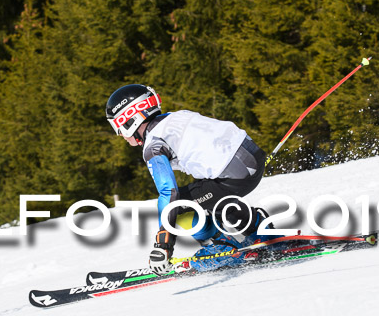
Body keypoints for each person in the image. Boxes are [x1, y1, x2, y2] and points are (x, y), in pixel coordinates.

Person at [105, 84, 274, 274]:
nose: (120, 135)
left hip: (234, 176)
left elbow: (169, 193)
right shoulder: (176, 116)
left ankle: (221, 248)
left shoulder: (153, 146)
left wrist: (163, 244)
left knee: (181, 206)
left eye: (118, 128)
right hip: (254, 160)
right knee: (209, 195)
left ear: (130, 121)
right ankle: (260, 228)